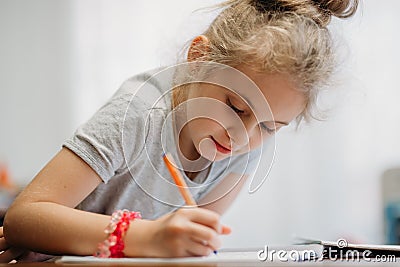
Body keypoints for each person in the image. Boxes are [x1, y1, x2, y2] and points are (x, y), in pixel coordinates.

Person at [0, 0, 358, 262]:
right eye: (235, 107)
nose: (242, 136)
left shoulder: (249, 147)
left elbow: (191, 239)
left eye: (268, 126)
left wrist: (188, 241)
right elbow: (24, 218)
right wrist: (151, 237)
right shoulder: (137, 115)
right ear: (199, 58)